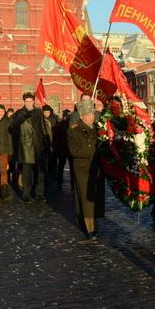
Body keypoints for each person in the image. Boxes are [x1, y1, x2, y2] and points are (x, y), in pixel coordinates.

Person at [68, 100, 105, 242]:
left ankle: (94, 223)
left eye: (92, 114)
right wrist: (93, 152)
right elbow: (74, 150)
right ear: (82, 116)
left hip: (96, 168)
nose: (91, 117)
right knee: (86, 198)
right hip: (82, 168)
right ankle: (90, 229)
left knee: (96, 197)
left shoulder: (98, 129)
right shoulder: (74, 130)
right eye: (88, 115)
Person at [10, 92, 46, 201]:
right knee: (26, 172)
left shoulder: (39, 112)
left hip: (38, 144)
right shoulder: (19, 113)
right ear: (24, 102)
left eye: (31, 101)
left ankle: (39, 193)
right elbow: (12, 128)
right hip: (26, 146)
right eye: (27, 101)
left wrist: (46, 142)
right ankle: (26, 194)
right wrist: (21, 118)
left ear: (34, 101)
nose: (29, 103)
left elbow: (43, 127)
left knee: (40, 171)